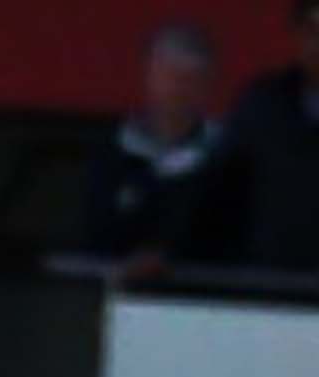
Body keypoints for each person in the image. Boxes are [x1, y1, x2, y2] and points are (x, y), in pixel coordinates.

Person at [175, 2, 319, 273]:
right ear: (298, 36)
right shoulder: (263, 106)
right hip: (266, 291)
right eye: (313, 30)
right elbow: (215, 196)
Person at [81, 23, 220, 264]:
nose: (178, 89)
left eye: (190, 79)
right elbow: (87, 236)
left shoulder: (227, 157)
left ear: (207, 84)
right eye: (169, 75)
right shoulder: (111, 153)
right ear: (149, 76)